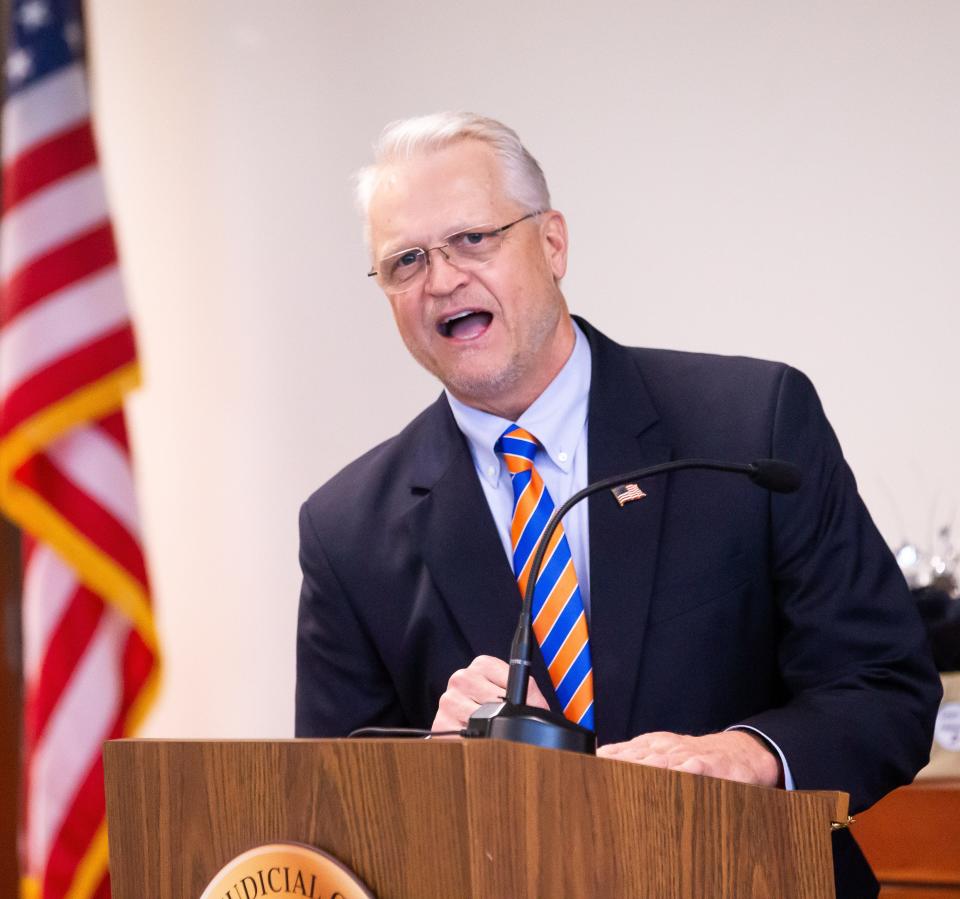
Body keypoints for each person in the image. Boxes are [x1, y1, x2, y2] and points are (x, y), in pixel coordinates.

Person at [295, 112, 941, 896]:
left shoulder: (749, 423)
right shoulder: (347, 529)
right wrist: (430, 774)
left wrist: (749, 754)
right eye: (405, 261)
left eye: (473, 239)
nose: (441, 279)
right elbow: (335, 819)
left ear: (553, 243)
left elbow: (887, 687)